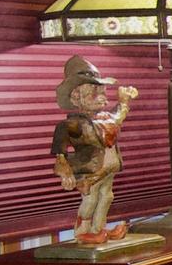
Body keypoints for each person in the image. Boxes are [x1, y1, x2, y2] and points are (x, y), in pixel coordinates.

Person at [50, 55, 138, 245]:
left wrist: (124, 101)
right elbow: (60, 152)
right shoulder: (72, 124)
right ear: (76, 96)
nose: (101, 97)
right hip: (90, 168)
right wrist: (65, 172)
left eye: (102, 91)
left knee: (107, 196)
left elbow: (117, 119)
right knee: (90, 199)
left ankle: (99, 229)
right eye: (93, 92)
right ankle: (83, 232)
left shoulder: (105, 119)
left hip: (109, 167)